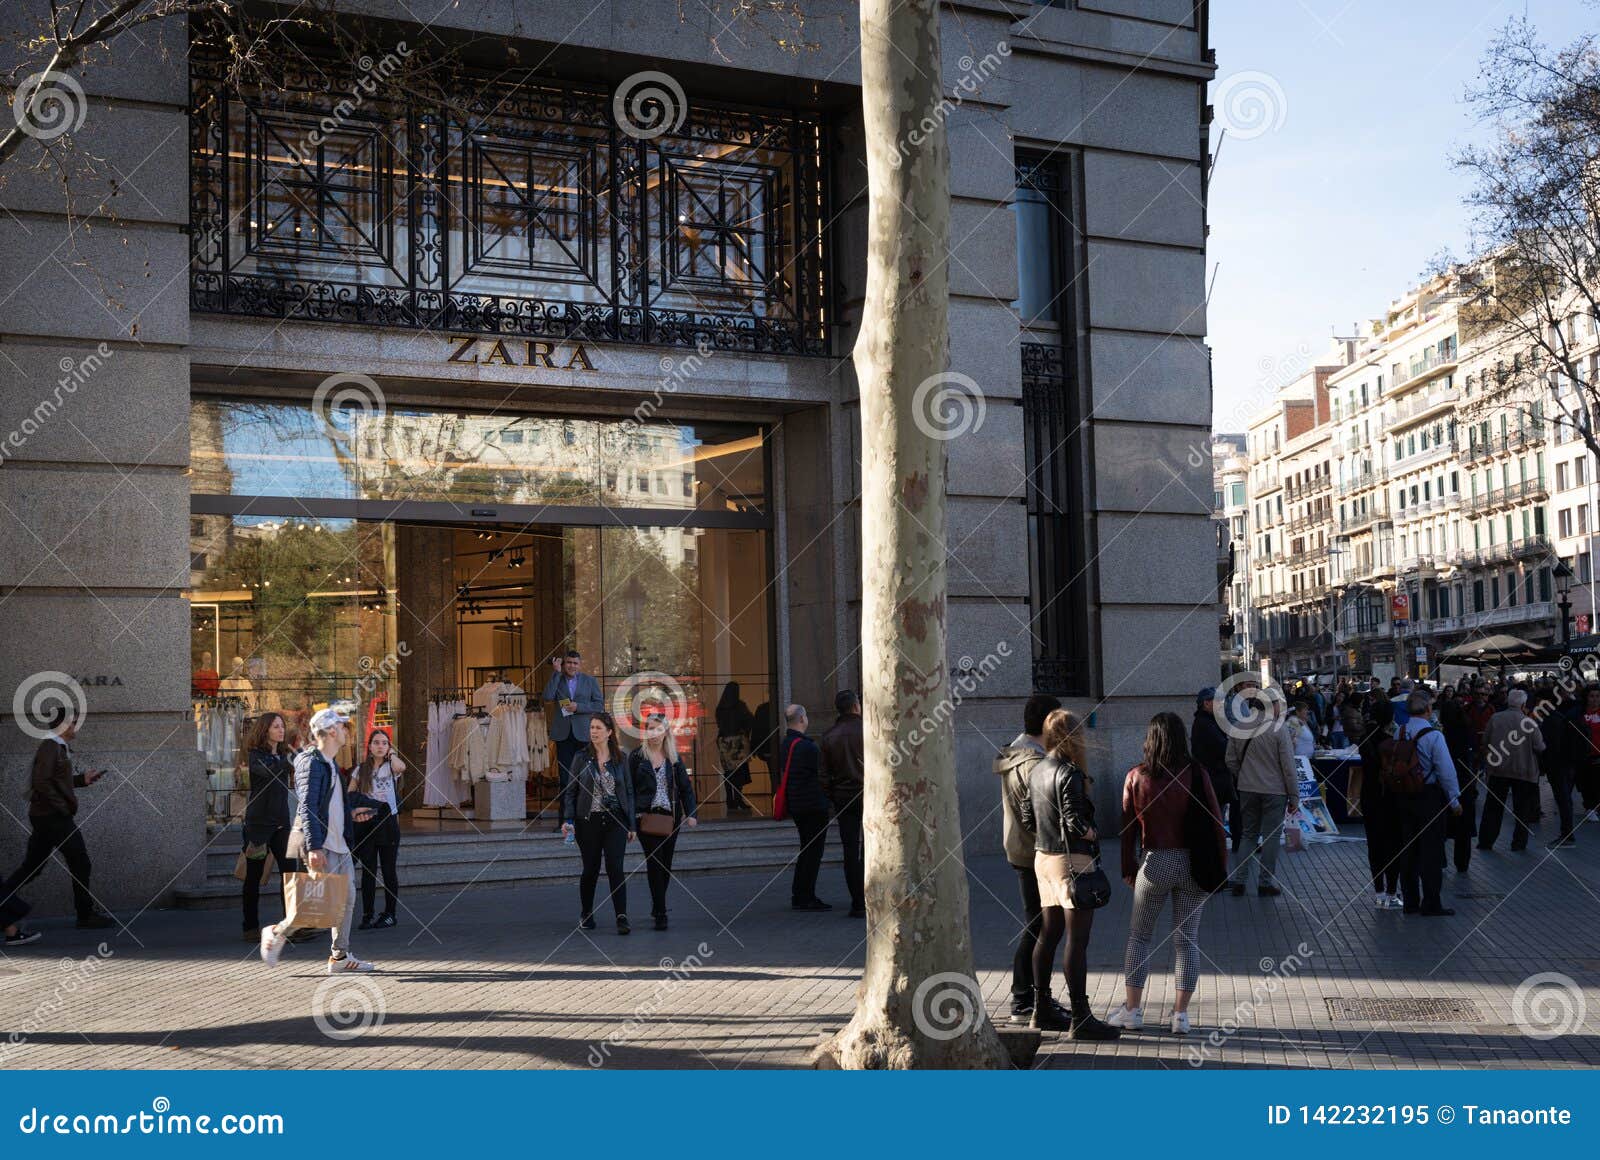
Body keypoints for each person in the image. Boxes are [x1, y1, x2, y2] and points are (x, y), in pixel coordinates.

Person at [1109, 712, 1228, 1036]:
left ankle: (1133, 1010)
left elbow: (1128, 828)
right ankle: (1180, 1016)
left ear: (1151, 740)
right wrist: (1221, 866)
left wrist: (1127, 867)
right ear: (1182, 738)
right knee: (1187, 941)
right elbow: (1216, 821)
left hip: (1155, 861)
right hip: (1193, 862)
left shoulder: (1136, 776)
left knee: (1139, 936)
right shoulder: (1197, 773)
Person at [1016, 709, 1118, 1039]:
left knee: (1048, 934)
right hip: (1071, 859)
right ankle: (1081, 1016)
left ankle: (1041, 1007)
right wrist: (1091, 833)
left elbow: (1028, 818)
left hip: (1043, 857)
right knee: (1078, 939)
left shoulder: (1037, 769)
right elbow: (1076, 820)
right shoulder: (1069, 772)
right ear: (1074, 736)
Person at [260, 707, 382, 973]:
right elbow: (308, 807)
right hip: (322, 845)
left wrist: (352, 814)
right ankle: (275, 931)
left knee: (346, 899)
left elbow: (332, 804)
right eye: (341, 726)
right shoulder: (310, 762)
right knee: (311, 905)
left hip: (338, 844)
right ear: (329, 731)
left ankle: (339, 957)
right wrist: (314, 847)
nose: (346, 731)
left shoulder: (330, 764)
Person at [0, 706, 114, 931]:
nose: (75, 727)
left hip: (46, 816)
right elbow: (41, 782)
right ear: (62, 726)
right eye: (72, 723)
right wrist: (62, 807)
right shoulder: (51, 747)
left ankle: (3, 903)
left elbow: (55, 780)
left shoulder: (58, 747)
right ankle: (85, 915)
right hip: (53, 817)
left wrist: (82, 779)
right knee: (80, 861)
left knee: (32, 867)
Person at [993, 693, 1062, 1023]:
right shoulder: (1033, 763)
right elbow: (1040, 816)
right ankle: (1026, 999)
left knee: (1039, 925)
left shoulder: (1016, 752)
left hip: (1021, 848)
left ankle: (1032, 998)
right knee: (1042, 927)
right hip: (1036, 851)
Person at [560, 712, 636, 934]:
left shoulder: (621, 758)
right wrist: (569, 819)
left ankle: (621, 916)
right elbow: (570, 791)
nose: (593, 731)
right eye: (592, 727)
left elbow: (629, 792)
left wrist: (631, 824)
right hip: (588, 821)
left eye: (598, 728)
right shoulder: (581, 757)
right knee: (590, 869)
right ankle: (586, 913)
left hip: (616, 821)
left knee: (616, 868)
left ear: (609, 732)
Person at [1390, 689, 1462, 916]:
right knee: (1431, 850)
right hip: (1428, 795)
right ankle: (1431, 902)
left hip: (1403, 796)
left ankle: (1410, 901)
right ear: (1429, 710)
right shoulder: (1433, 735)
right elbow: (1446, 770)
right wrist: (1454, 799)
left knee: (1408, 848)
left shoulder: (1399, 732)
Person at [628, 713, 697, 930]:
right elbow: (629, 790)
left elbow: (686, 788)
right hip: (646, 818)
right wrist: (630, 822)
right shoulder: (637, 756)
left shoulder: (673, 758)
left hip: (670, 819)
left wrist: (691, 813)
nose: (654, 733)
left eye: (658, 729)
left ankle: (657, 903)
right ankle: (660, 912)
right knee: (655, 862)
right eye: (650, 728)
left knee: (665, 865)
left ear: (666, 732)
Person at [1224, 698, 1298, 897]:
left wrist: (1243, 775)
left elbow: (1229, 759)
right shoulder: (1278, 730)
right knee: (1271, 836)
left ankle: (1240, 881)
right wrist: (1294, 796)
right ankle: (1265, 882)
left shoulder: (1238, 727)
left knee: (1248, 834)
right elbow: (1289, 767)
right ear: (1269, 707)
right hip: (1275, 791)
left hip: (1247, 789)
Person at [241, 711, 298, 941]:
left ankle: (291, 925)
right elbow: (268, 773)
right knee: (253, 877)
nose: (281, 730)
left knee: (290, 873)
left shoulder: (283, 755)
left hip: (281, 824)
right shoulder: (256, 755)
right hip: (258, 826)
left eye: (282, 726)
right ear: (265, 730)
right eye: (276, 726)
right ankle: (250, 927)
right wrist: (288, 761)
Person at [777, 704, 831, 911]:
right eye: (806, 716)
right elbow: (821, 775)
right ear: (802, 719)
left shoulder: (786, 743)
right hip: (813, 806)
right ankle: (805, 896)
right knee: (813, 852)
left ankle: (800, 894)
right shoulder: (807, 746)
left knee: (806, 849)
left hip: (798, 805)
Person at [1477, 688, 1544, 853]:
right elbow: (1540, 746)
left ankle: (1486, 841)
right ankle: (1518, 844)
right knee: (1522, 810)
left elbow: (1485, 742)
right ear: (1523, 704)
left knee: (1493, 808)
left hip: (1498, 770)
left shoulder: (1495, 718)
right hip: (1523, 771)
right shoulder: (1529, 722)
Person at [1350, 697, 1401, 908]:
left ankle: (1379, 890)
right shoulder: (1392, 741)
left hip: (1369, 795)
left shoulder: (1365, 740)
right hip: (1390, 795)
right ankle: (1391, 892)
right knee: (1393, 844)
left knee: (1374, 844)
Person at [819, 690, 866, 918]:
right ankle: (869, 897)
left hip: (844, 798)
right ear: (856, 706)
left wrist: (833, 796)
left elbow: (824, 775)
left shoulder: (829, 736)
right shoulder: (868, 730)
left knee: (850, 850)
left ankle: (857, 902)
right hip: (868, 795)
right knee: (869, 848)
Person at [351, 728, 404, 930]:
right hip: (366, 823)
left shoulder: (391, 767)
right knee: (368, 871)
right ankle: (367, 914)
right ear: (369, 746)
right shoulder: (360, 769)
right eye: (376, 742)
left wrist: (391, 754)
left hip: (388, 823)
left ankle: (390, 914)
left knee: (389, 870)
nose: (380, 746)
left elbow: (403, 767)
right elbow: (350, 794)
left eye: (384, 742)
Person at [542, 651, 606, 819]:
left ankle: (586, 818)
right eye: (568, 662)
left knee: (586, 778)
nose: (571, 666)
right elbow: (547, 697)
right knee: (565, 780)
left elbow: (599, 705)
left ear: (580, 664)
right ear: (564, 664)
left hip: (584, 736)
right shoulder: (558, 678)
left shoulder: (589, 681)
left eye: (575, 663)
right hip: (564, 736)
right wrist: (555, 673)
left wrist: (579, 707)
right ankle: (565, 820)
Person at [1190, 688, 1239, 853]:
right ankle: (1214, 852)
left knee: (1217, 816)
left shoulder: (1210, 721)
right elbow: (1223, 748)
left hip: (1216, 778)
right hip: (1213, 779)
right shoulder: (1205, 723)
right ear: (1206, 703)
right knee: (1214, 818)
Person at [1438, 688, 1477, 872]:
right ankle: (1463, 862)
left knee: (1441, 826)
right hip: (1465, 780)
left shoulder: (1441, 735)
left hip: (1444, 781)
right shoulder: (1467, 729)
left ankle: (1442, 860)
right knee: (1463, 826)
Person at [714, 682, 755, 814]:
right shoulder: (740, 706)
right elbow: (750, 720)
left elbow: (720, 724)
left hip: (724, 743)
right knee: (739, 773)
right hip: (738, 743)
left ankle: (729, 800)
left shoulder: (720, 708)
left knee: (728, 773)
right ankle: (738, 799)